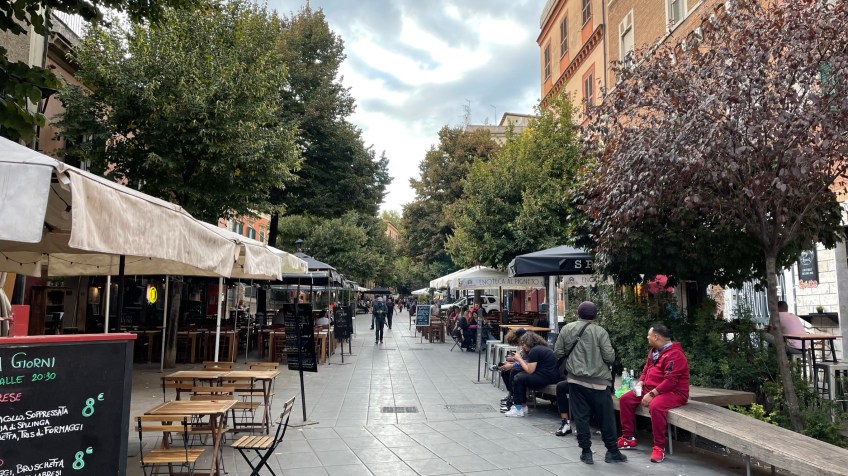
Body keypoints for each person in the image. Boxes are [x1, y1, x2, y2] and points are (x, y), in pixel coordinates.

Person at [556, 301, 626, 465]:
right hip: (599, 382)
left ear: (578, 313)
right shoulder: (600, 331)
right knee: (606, 418)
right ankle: (612, 451)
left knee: (580, 417)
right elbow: (609, 357)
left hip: (575, 380)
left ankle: (586, 452)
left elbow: (558, 352)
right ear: (595, 315)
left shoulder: (567, 329)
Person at [618, 323, 690, 464]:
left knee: (656, 406)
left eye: (649, 335)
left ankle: (659, 447)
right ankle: (628, 438)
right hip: (650, 388)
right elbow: (646, 369)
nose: (647, 337)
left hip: (674, 392)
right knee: (625, 399)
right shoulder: (654, 351)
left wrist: (652, 394)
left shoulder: (675, 354)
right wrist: (641, 382)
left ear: (656, 337)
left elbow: (671, 381)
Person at [504, 331, 560, 418]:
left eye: (524, 344)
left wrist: (519, 359)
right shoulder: (540, 348)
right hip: (549, 375)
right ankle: (522, 405)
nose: (523, 346)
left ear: (529, 342)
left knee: (519, 378)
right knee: (517, 372)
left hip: (548, 377)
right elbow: (530, 366)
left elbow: (529, 370)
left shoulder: (534, 351)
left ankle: (518, 408)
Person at [493, 327, 527, 412]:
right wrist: (512, 360)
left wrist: (512, 364)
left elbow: (526, 361)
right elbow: (523, 359)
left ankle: (514, 400)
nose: (518, 344)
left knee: (514, 371)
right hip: (527, 366)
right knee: (506, 370)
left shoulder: (528, 346)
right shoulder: (524, 345)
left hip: (531, 369)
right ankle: (511, 395)